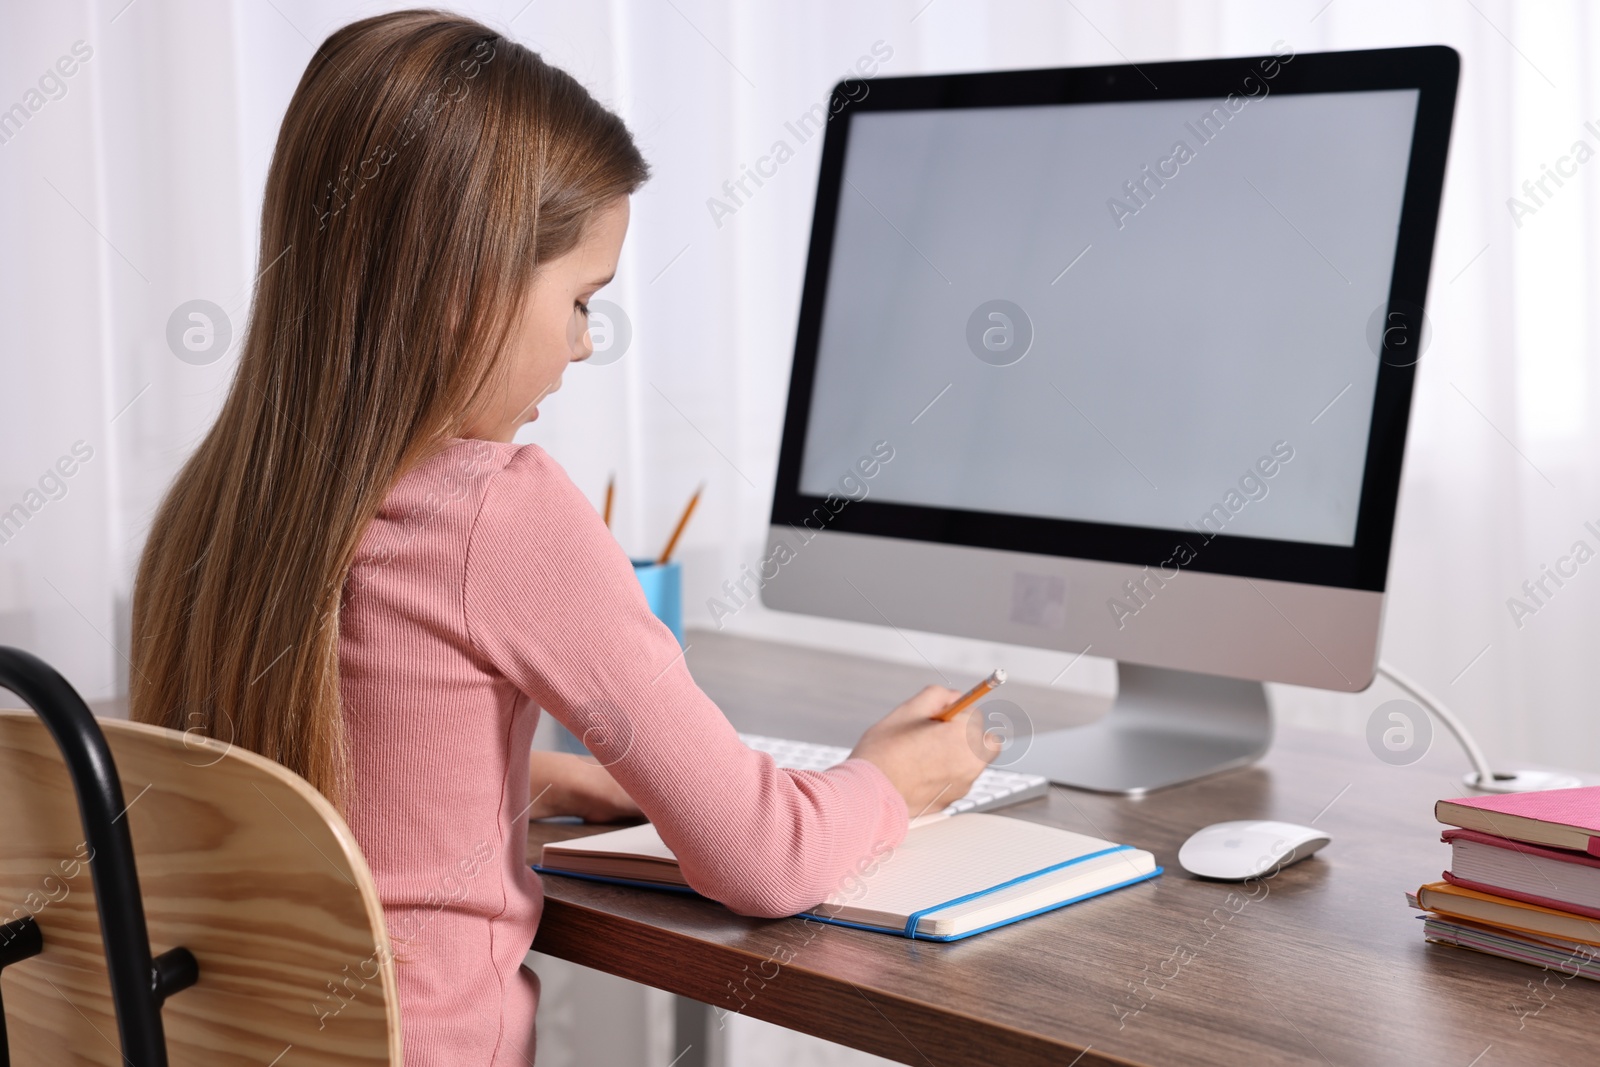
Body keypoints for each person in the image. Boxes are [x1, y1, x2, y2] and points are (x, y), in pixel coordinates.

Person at [129, 10, 995, 1064]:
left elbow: (345, 778)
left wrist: (557, 777)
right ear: (467, 283)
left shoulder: (214, 504)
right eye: (582, 299)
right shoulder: (502, 508)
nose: (586, 344)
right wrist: (882, 781)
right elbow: (765, 861)